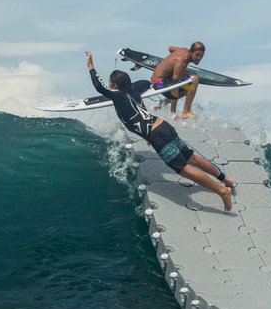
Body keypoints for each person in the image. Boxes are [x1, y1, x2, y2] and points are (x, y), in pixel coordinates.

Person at [86, 50, 235, 211]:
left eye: (111, 84)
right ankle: (225, 179)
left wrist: (91, 65)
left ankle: (222, 191)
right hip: (163, 126)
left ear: (114, 86)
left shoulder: (118, 96)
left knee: (182, 168)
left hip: (156, 135)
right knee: (191, 158)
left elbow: (98, 86)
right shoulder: (135, 90)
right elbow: (145, 82)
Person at [150, 41, 206, 119]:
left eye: (201, 56)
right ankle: (186, 112)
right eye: (197, 55)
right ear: (190, 52)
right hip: (159, 84)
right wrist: (173, 112)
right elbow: (175, 86)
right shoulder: (181, 62)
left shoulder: (183, 50)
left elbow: (170, 48)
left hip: (159, 79)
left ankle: (160, 105)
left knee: (189, 91)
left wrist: (171, 63)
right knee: (194, 79)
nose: (199, 58)